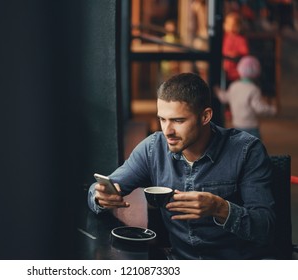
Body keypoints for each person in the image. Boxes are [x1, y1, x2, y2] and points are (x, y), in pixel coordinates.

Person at [88, 73, 276, 260]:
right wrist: (100, 197)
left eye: (178, 121)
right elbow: (101, 188)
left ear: (205, 116)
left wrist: (220, 208)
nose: (167, 131)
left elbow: (265, 227)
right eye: (162, 119)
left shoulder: (247, 150)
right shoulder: (153, 148)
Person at [214, 55, 278, 139]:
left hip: (237, 125)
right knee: (254, 149)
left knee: (238, 148)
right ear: (257, 71)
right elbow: (259, 108)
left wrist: (217, 90)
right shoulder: (254, 89)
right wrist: (272, 110)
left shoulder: (234, 86)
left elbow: (224, 98)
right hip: (251, 127)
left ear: (239, 69)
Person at [222, 12, 249, 86]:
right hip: (224, 70)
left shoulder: (240, 39)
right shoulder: (224, 37)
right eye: (227, 23)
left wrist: (235, 54)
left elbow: (244, 52)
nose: (228, 26)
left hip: (236, 72)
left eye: (232, 24)